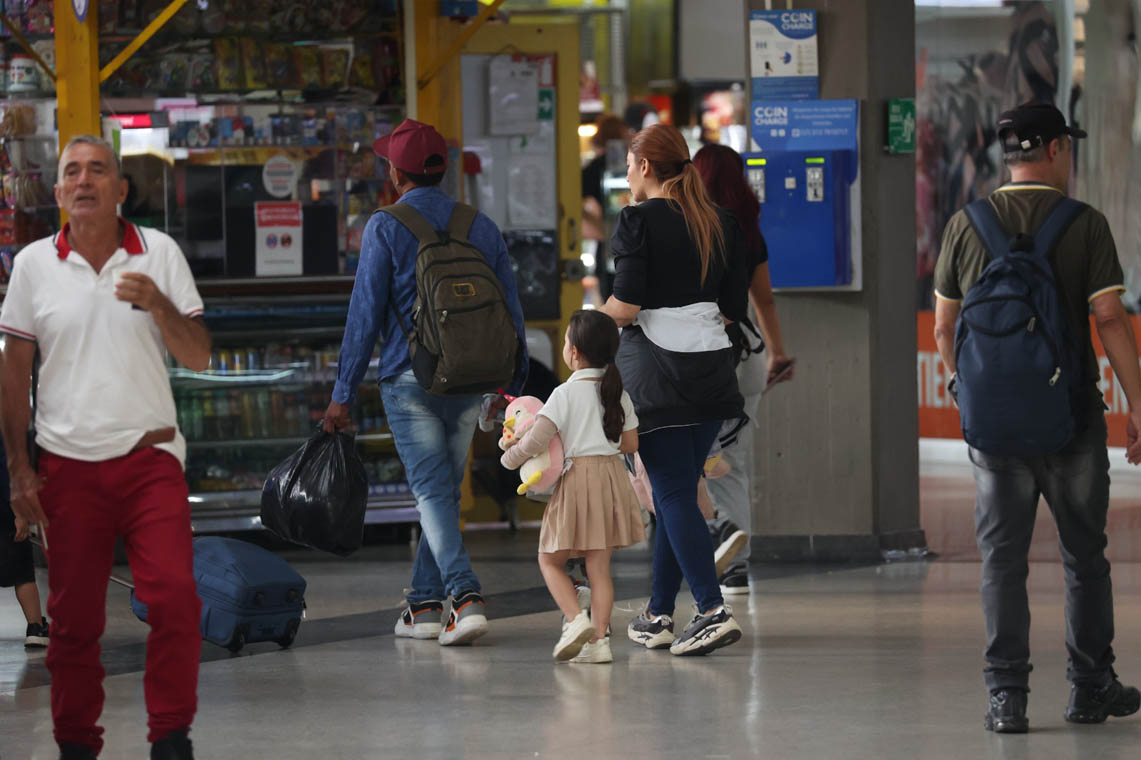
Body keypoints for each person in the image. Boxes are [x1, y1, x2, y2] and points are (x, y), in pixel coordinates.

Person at [933, 102, 1141, 733]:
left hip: (995, 429)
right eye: (1068, 147)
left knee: (1002, 561)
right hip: (1072, 421)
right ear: (1054, 149)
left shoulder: (965, 225)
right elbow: (1109, 319)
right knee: (1084, 558)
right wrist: (1138, 404)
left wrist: (968, 388)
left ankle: (1008, 700)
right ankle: (1089, 688)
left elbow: (946, 326)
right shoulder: (1085, 224)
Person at [0, 135, 210, 760]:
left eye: (98, 170)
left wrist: (158, 302)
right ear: (59, 193)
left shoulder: (159, 253)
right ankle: (75, 744)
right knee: (73, 624)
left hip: (151, 461)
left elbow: (197, 352)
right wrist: (19, 469)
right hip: (65, 469)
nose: (84, 180)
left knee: (174, 597)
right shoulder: (34, 265)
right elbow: (13, 371)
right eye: (73, 172)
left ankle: (171, 737)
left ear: (121, 190)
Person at [323, 119, 528, 647]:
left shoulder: (385, 227)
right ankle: (423, 606)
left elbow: (363, 314)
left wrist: (341, 393)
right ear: (443, 168)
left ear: (395, 173)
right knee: (437, 493)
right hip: (472, 378)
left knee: (431, 491)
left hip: (407, 378)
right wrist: (512, 383)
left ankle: (465, 595)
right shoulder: (480, 225)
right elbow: (510, 309)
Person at [601, 123, 751, 656]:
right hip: (712, 371)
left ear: (645, 167)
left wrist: (586, 325)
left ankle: (711, 610)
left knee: (670, 493)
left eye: (628, 164)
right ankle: (659, 612)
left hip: (657, 376)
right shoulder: (720, 221)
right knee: (676, 495)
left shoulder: (636, 222)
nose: (626, 174)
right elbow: (734, 306)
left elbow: (626, 306)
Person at [500, 310, 643, 664]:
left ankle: (576, 620)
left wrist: (509, 458)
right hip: (611, 479)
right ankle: (599, 643)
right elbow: (631, 443)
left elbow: (536, 441)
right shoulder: (617, 393)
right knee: (599, 569)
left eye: (565, 340)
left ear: (574, 352)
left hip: (577, 480)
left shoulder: (564, 394)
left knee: (549, 560)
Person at [692, 143, 795, 596]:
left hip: (697, 356)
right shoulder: (748, 231)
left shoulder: (688, 226)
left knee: (693, 458)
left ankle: (713, 539)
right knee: (735, 461)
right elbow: (764, 300)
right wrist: (778, 352)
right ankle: (737, 563)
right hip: (747, 356)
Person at [0, 433, 49, 649]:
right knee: (22, 572)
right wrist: (19, 512)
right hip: (4, 513)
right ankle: (36, 627)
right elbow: (5, 471)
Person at [582, 114, 630, 303]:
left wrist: (598, 225)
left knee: (610, 298)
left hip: (608, 245)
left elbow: (573, 201)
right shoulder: (628, 166)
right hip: (624, 239)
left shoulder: (593, 167)